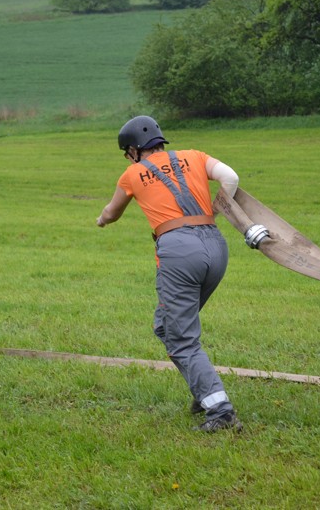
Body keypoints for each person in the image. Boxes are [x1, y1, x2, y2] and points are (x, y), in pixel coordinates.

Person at [96, 116, 243, 433]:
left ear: (135, 150)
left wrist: (101, 221)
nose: (127, 158)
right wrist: (212, 212)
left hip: (179, 252)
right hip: (215, 247)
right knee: (167, 326)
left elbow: (112, 211)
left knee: (180, 336)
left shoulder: (133, 173)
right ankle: (204, 392)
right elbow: (231, 177)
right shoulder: (195, 156)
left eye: (127, 152)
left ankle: (221, 411)